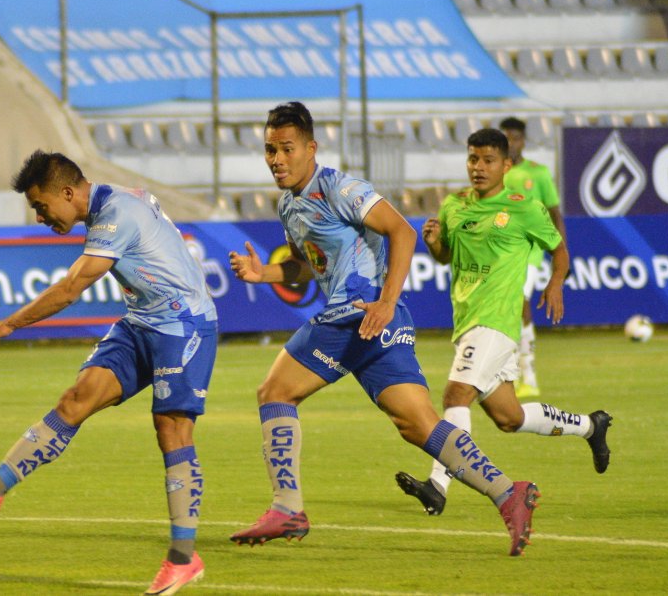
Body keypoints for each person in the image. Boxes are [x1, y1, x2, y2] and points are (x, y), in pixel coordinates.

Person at [227, 102, 539, 556]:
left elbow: (403, 232)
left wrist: (386, 301)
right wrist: (265, 275)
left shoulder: (339, 187)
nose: (276, 159)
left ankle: (287, 506)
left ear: (311, 148)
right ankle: (509, 493)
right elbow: (304, 265)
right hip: (372, 324)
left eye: (286, 148)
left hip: (356, 315)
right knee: (418, 424)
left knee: (274, 393)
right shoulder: (289, 205)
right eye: (270, 149)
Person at [0, 150, 217, 595]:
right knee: (76, 398)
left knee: (172, 429)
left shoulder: (117, 213)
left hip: (184, 325)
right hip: (142, 321)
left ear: (67, 192)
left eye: (42, 207)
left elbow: (69, 289)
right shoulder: (112, 201)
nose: (42, 217)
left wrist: (8, 324)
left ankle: (183, 558)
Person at [395, 127, 611, 515]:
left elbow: (559, 250)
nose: (478, 167)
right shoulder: (454, 205)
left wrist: (556, 281)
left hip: (495, 321)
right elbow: (448, 258)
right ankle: (591, 426)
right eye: (473, 159)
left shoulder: (524, 207)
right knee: (509, 417)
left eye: (488, 160)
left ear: (506, 165)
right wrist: (435, 244)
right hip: (466, 321)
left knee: (455, 395)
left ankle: (438, 485)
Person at [499, 116, 566, 398]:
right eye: (506, 138)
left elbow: (554, 214)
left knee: (521, 302)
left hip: (530, 252)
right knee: (506, 309)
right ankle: (510, 372)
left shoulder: (537, 174)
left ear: (523, 140)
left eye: (515, 138)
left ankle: (529, 375)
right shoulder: (494, 172)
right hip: (502, 251)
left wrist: (561, 255)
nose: (511, 144)